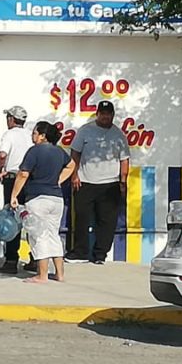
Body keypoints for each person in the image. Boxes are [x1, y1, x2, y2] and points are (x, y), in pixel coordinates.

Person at [10, 121, 75, 284]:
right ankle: (59, 274)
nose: (32, 136)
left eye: (34, 133)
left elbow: (23, 174)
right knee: (53, 235)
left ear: (42, 136)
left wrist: (14, 195)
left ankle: (42, 275)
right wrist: (58, 180)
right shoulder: (59, 151)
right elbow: (71, 165)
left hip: (38, 198)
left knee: (38, 236)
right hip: (57, 199)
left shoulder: (34, 151)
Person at [67, 100, 131, 264]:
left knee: (107, 222)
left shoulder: (118, 135)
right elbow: (75, 154)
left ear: (113, 115)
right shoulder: (85, 131)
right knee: (81, 218)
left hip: (110, 184)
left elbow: (124, 160)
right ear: (97, 114)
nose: (105, 117)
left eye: (108, 114)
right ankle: (80, 253)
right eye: (102, 114)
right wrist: (74, 175)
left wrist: (123, 182)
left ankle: (100, 254)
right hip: (85, 182)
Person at [0, 106, 33, 275]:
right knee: (30, 219)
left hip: (13, 179)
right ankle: (35, 259)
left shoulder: (9, 134)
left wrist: (0, 170)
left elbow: (2, 155)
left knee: (11, 218)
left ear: (11, 119)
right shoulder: (30, 134)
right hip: (30, 179)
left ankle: (11, 260)